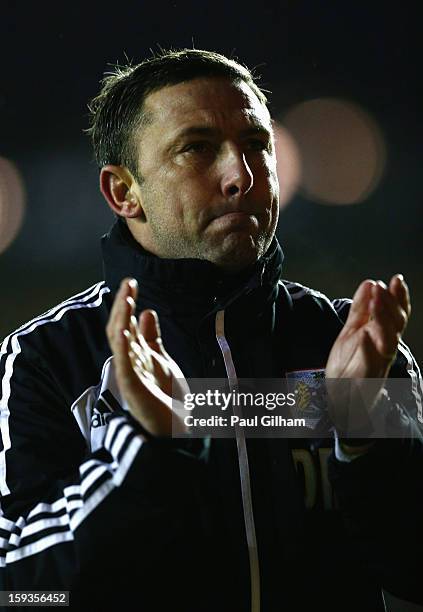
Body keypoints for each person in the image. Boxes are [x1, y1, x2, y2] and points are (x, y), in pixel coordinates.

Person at [0, 49, 422, 612]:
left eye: (256, 144)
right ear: (123, 192)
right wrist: (145, 452)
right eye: (196, 148)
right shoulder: (45, 359)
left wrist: (363, 427)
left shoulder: (349, 344)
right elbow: (23, 593)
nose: (240, 175)